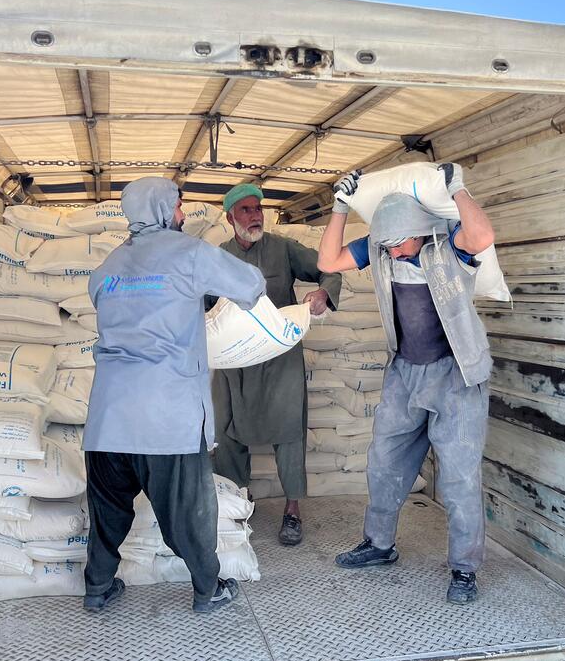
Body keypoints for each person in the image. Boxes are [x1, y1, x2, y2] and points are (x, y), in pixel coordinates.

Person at [82, 177, 267, 614]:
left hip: (108, 416)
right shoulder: (190, 253)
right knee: (189, 513)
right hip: (167, 417)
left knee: (107, 514)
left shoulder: (108, 267)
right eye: (179, 207)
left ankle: (97, 588)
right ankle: (208, 588)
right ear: (165, 209)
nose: (182, 215)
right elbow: (251, 285)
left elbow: (106, 300)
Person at [316, 165, 495, 604]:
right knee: (384, 465)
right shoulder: (379, 250)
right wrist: (340, 206)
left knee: (458, 479)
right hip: (404, 372)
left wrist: (457, 188)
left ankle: (464, 569)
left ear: (420, 230)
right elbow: (327, 261)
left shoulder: (448, 245)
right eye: (387, 244)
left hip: (456, 374)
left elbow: (483, 237)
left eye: (400, 243)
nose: (394, 252)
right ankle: (379, 545)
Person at [209, 183, 342, 546]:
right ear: (230, 217)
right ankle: (236, 503)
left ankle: (293, 510)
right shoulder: (218, 257)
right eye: (246, 210)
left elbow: (328, 268)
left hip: (279, 359)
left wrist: (323, 292)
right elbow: (199, 302)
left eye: (258, 209)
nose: (255, 216)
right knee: (226, 429)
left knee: (289, 429)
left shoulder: (283, 249)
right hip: (236, 361)